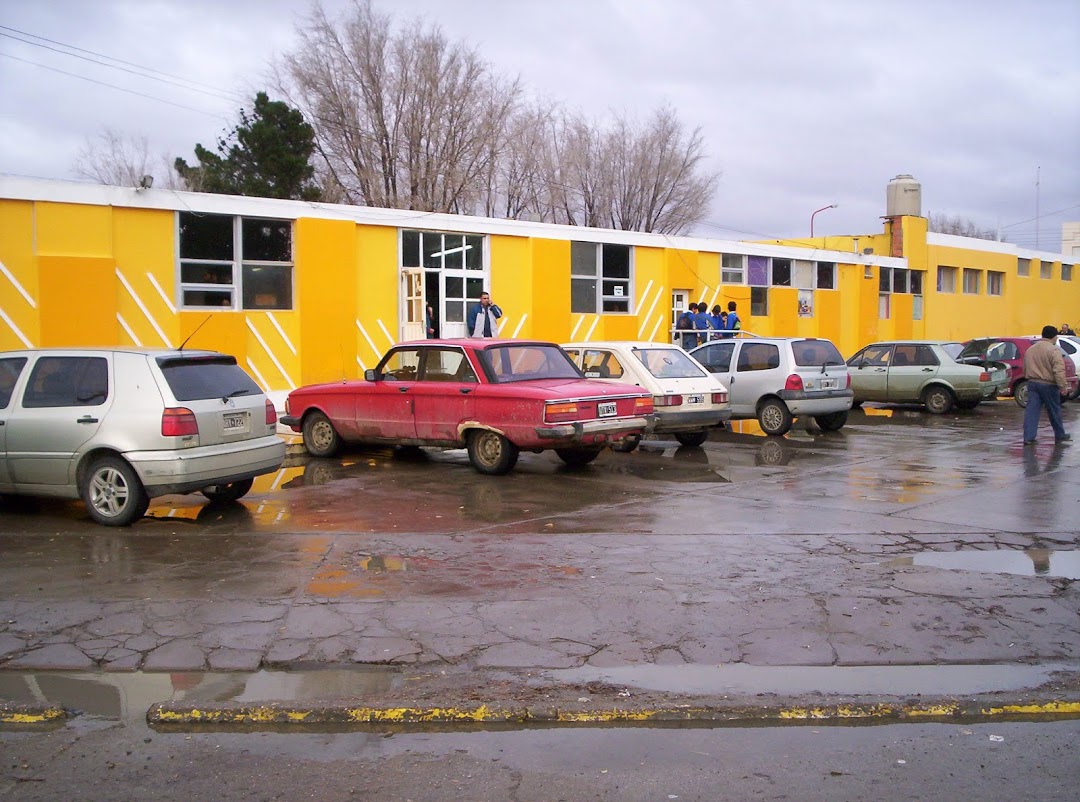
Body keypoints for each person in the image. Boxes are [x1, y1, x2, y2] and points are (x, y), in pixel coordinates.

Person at [1022, 324, 1071, 445]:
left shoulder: (1031, 349)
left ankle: (1029, 437)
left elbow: (1025, 367)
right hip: (1048, 385)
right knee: (1054, 410)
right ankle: (1060, 435)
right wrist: (1063, 387)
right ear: (1053, 337)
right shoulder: (1053, 350)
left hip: (1032, 383)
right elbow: (1058, 371)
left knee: (1032, 411)